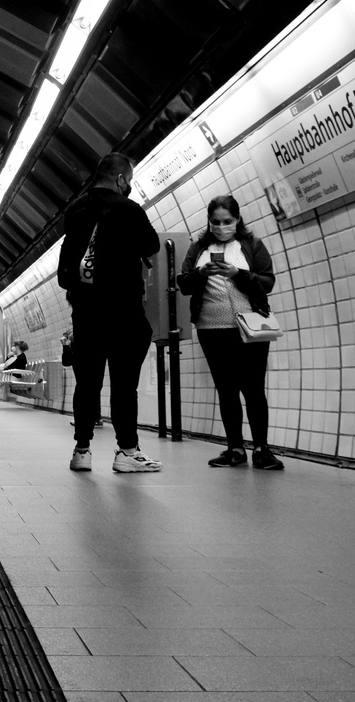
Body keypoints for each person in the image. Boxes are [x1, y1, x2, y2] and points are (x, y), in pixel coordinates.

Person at [57, 153, 163, 473]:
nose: (129, 186)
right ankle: (127, 452)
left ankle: (82, 450)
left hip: (86, 312)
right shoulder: (128, 209)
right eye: (128, 181)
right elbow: (152, 245)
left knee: (87, 382)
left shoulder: (75, 211)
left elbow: (67, 269)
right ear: (120, 179)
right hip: (122, 311)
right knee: (123, 382)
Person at [175, 194, 283, 471]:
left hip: (249, 328)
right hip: (212, 329)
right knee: (226, 389)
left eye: (227, 221)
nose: (221, 226)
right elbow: (184, 283)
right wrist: (202, 273)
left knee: (254, 388)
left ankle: (261, 449)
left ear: (237, 220)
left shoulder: (251, 245)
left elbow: (267, 281)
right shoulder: (198, 248)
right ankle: (235, 447)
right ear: (209, 222)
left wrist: (238, 273)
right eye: (215, 222)